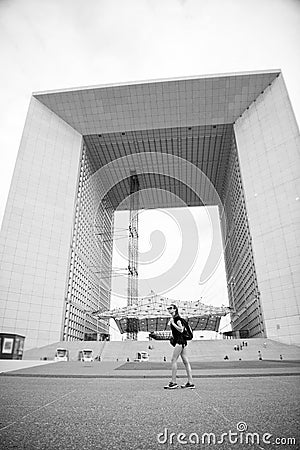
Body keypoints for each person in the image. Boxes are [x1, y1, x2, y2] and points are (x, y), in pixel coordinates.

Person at [164, 304, 195, 389]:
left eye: (170, 308)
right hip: (183, 341)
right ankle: (190, 382)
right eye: (168, 308)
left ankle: (173, 382)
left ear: (175, 309)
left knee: (173, 360)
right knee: (186, 361)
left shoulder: (177, 319)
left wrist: (172, 323)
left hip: (180, 341)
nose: (169, 310)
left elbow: (181, 329)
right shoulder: (176, 318)